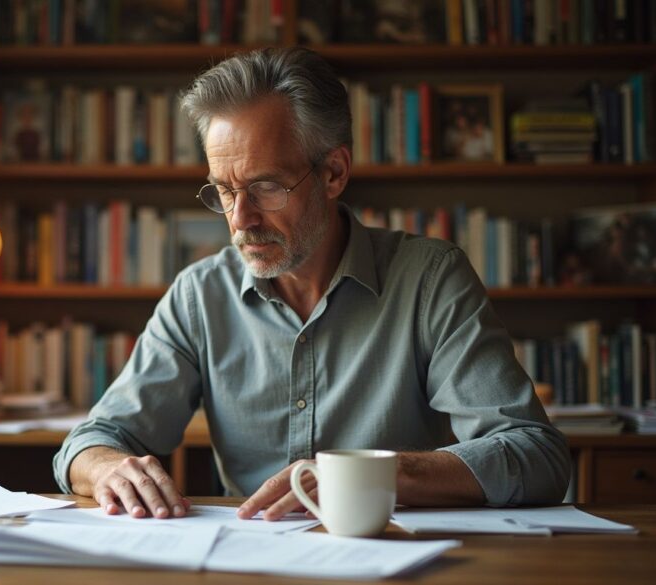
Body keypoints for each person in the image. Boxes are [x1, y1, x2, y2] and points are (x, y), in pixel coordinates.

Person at [53, 47, 571, 521]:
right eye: (223, 191)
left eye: (266, 186)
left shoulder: (431, 280)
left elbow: (537, 455)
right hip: (249, 564)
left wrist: (369, 477)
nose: (240, 219)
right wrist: (107, 469)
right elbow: (92, 442)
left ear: (334, 173)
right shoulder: (199, 296)